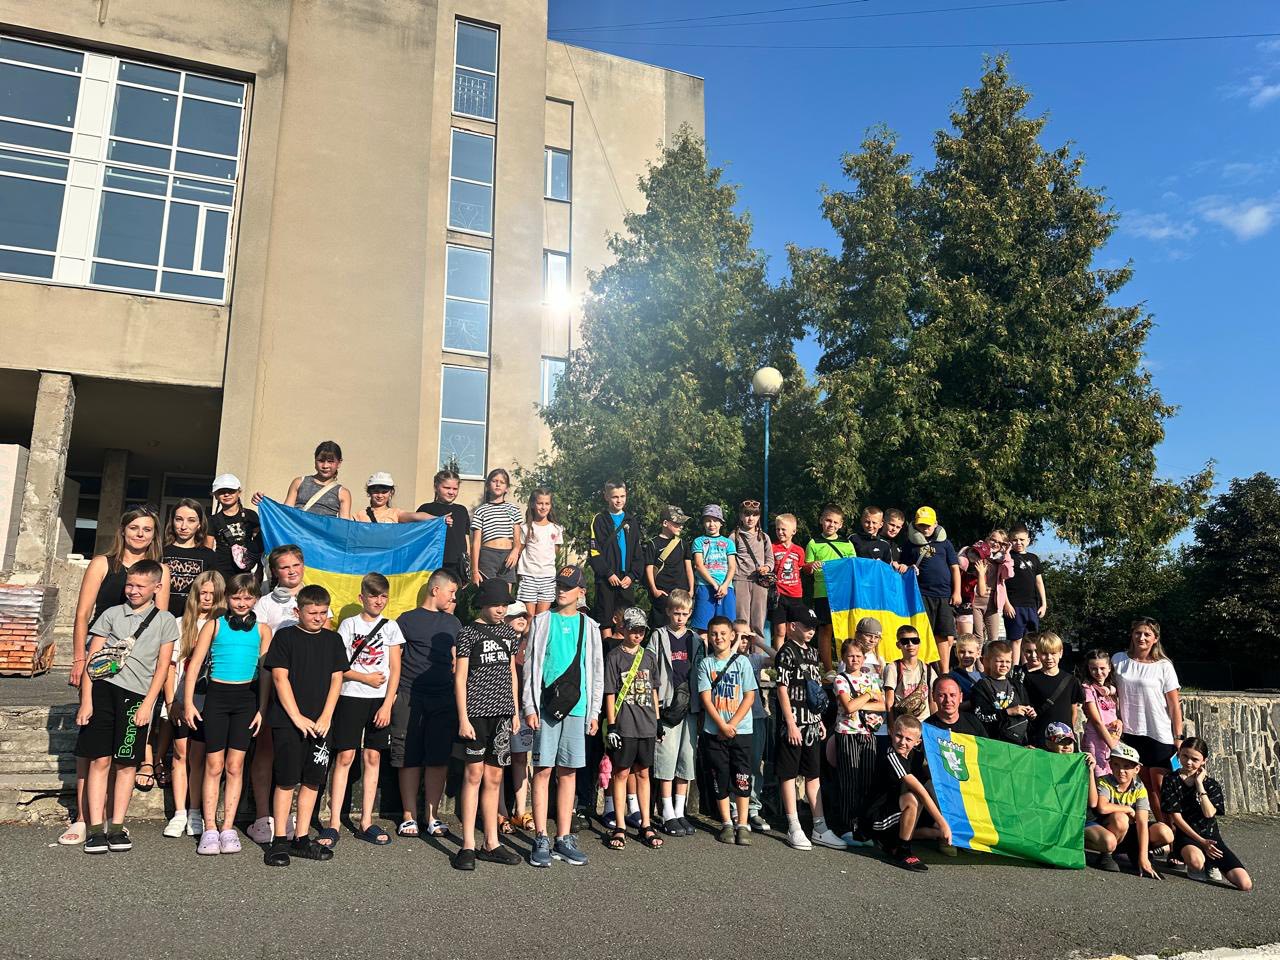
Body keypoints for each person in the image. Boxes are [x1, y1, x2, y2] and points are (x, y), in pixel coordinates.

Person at [61, 506, 168, 846]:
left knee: (122, 752)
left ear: (154, 535)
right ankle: (84, 818)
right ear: (123, 530)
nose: (140, 534)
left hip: (136, 673)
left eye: (147, 529)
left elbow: (159, 621)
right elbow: (82, 614)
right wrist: (79, 659)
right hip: (100, 663)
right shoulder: (103, 564)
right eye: (134, 527)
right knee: (92, 747)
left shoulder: (159, 570)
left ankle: (112, 820)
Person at [74, 559, 179, 853]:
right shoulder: (111, 614)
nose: (133, 591)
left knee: (126, 762)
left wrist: (148, 704)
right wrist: (86, 700)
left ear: (157, 587)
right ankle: (96, 828)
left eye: (141, 586)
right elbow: (93, 660)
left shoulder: (165, 620)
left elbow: (162, 667)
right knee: (99, 760)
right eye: (130, 585)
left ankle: (117, 825)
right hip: (103, 692)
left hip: (136, 698)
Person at [182, 573, 272, 856]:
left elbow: (266, 675)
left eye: (248, 598)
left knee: (235, 766)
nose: (242, 603)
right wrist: (188, 703)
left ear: (256, 599)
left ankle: (228, 827)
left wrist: (262, 709)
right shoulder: (214, 625)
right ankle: (210, 827)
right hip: (217, 699)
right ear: (227, 598)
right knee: (214, 765)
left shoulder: (263, 631)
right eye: (236, 597)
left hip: (246, 701)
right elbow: (194, 666)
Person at [522, 565, 605, 867]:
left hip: (577, 707)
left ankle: (564, 836)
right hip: (546, 706)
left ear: (581, 591)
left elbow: (595, 671)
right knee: (543, 769)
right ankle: (541, 836)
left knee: (568, 771)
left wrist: (594, 712)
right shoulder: (542, 620)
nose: (561, 591)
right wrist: (529, 706)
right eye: (559, 585)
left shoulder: (590, 626)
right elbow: (531, 665)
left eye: (568, 587)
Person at [261, 584, 346, 867]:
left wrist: (327, 716)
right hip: (289, 722)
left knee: (313, 780)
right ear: (298, 611)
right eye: (312, 613)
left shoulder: (333, 640)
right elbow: (279, 678)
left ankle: (301, 838)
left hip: (322, 724)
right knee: (286, 780)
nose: (318, 618)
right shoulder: (285, 637)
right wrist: (296, 717)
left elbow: (337, 679)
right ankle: (279, 840)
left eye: (323, 613)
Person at [324, 573, 405, 847]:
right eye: (373, 596)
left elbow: (395, 669)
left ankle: (366, 821)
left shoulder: (391, 627)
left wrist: (387, 703)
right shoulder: (349, 624)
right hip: (350, 696)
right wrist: (364, 678)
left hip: (379, 700)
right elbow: (340, 666)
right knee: (345, 756)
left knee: (373, 756)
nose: (379, 601)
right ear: (362, 597)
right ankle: (333, 823)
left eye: (383, 596)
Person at [452, 578, 522, 870]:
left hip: (502, 713)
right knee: (473, 775)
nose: (501, 610)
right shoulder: (467, 633)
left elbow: (512, 672)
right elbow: (460, 677)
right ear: (482, 604)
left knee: (494, 777)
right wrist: (463, 717)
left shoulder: (509, 634)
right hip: (476, 713)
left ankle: (491, 842)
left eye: (504, 604)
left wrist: (515, 711)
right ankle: (468, 843)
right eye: (495, 605)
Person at [246, 543, 313, 844]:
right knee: (265, 750)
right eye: (284, 567)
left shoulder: (315, 598)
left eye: (295, 565)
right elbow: (259, 646)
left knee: (297, 754)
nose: (291, 571)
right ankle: (263, 817)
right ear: (274, 572)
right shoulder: (263, 604)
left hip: (306, 688)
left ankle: (288, 816)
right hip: (271, 685)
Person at [391, 568, 461, 839]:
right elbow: (394, 659)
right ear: (435, 590)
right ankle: (408, 816)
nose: (453, 598)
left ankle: (432, 816)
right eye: (451, 592)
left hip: (443, 698)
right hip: (409, 696)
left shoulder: (453, 623)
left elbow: (457, 661)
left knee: (438, 759)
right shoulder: (406, 620)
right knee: (408, 757)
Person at [162, 571, 225, 839]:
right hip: (180, 696)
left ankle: (195, 811)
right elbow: (169, 666)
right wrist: (171, 701)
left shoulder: (223, 625)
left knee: (199, 757)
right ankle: (179, 812)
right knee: (180, 754)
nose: (207, 598)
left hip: (209, 700)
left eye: (213, 594)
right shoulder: (179, 624)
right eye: (203, 593)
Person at [774, 606, 843, 849]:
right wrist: (790, 723)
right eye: (806, 626)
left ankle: (819, 826)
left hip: (812, 723)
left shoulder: (813, 653)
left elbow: (814, 688)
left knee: (814, 774)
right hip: (793, 724)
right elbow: (782, 688)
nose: (811, 631)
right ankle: (793, 825)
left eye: (813, 627)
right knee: (789, 773)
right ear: (793, 626)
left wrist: (819, 719)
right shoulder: (786, 652)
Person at [859, 715, 951, 872]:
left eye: (908, 739)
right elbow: (921, 792)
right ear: (891, 733)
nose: (902, 742)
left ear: (917, 742)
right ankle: (902, 851)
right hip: (875, 820)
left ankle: (897, 841)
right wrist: (943, 823)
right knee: (913, 799)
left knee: (934, 831)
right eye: (899, 736)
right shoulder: (892, 755)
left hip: (892, 812)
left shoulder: (914, 755)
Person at [1112, 617, 1182, 823]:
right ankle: (1162, 830)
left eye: (1147, 634)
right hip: (1130, 733)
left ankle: (1174, 832)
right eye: (1138, 633)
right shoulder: (1118, 660)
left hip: (1158, 733)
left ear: (1155, 639)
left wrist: (1178, 736)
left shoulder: (1164, 666)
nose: (1141, 638)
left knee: (1161, 786)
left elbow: (1174, 704)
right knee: (1145, 787)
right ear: (1131, 634)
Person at [603, 608, 663, 850]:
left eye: (641, 630)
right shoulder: (614, 657)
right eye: (633, 629)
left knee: (644, 773)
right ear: (623, 629)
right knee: (621, 773)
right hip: (625, 725)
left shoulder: (649, 657)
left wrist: (658, 720)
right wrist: (612, 725)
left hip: (647, 724)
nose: (638, 635)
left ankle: (646, 823)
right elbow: (609, 693)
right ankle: (620, 825)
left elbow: (654, 690)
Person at [696, 616, 757, 846]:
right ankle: (726, 822)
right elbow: (705, 698)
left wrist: (732, 724)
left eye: (723, 633)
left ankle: (742, 823)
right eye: (714, 634)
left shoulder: (742, 662)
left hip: (741, 730)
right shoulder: (706, 664)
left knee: (742, 776)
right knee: (719, 776)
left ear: (732, 635)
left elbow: (749, 696)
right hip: (714, 731)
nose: (718, 638)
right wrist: (721, 725)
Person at [1161, 737, 1252, 890]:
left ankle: (1211, 863)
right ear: (1179, 754)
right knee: (1196, 862)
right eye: (1185, 756)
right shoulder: (1170, 780)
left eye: (1195, 759)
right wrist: (1202, 842)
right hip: (1186, 836)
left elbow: (1209, 814)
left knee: (1245, 884)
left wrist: (1199, 785)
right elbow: (1176, 817)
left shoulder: (1211, 785)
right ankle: (1198, 864)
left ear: (1204, 761)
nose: (1188, 762)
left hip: (1211, 837)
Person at [651, 589, 698, 836]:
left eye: (684, 614)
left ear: (690, 614)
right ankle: (667, 810)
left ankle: (680, 811)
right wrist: (656, 712)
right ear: (668, 611)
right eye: (676, 613)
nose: (680, 618)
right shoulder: (658, 636)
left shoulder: (695, 639)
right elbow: (650, 671)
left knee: (686, 760)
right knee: (666, 759)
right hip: (667, 705)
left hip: (690, 706)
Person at [1041, 721, 1119, 872]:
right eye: (1060, 742)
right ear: (1049, 744)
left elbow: (1093, 802)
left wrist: (1090, 770)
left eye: (1069, 742)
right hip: (1051, 820)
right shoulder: (1041, 761)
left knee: (1109, 842)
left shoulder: (1081, 763)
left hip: (1079, 819)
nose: (1066, 746)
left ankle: (1073, 847)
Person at [832, 639, 886, 846]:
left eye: (858, 656)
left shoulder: (870, 678)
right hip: (847, 733)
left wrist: (861, 702)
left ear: (864, 658)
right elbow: (848, 706)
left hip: (868, 733)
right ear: (844, 658)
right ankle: (846, 827)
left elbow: (883, 705)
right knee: (849, 782)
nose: (854, 660)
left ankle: (863, 828)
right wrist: (868, 695)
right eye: (850, 656)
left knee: (866, 782)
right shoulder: (840, 679)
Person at [1096, 740, 1175, 879]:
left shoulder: (1140, 788)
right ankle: (1108, 853)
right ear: (1110, 765)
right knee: (1120, 818)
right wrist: (1127, 809)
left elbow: (1142, 823)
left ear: (1137, 769)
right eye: (1116, 765)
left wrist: (1143, 857)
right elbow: (1102, 807)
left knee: (1165, 832)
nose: (1121, 771)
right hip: (1110, 829)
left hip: (1131, 831)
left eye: (1127, 766)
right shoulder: (1104, 781)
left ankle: (1139, 852)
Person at [901, 506, 961, 674]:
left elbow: (955, 568)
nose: (925, 528)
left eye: (928, 525)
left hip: (944, 595)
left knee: (944, 635)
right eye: (921, 525)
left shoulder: (945, 544)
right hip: (922, 595)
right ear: (915, 524)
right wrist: (904, 566)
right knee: (922, 634)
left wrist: (957, 592)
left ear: (935, 524)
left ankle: (944, 672)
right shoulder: (909, 545)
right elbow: (904, 566)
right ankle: (924, 671)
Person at [587, 482, 642, 642]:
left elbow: (638, 553)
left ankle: (624, 652)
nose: (619, 500)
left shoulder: (631, 521)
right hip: (607, 579)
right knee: (605, 619)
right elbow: (594, 551)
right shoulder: (599, 520)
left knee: (627, 620)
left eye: (622, 496)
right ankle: (607, 650)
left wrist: (632, 576)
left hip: (626, 580)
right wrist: (608, 573)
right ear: (606, 497)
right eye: (615, 497)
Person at [803, 504, 854, 670]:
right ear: (821, 520)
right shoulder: (813, 543)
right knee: (825, 629)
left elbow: (853, 566)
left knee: (845, 629)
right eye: (828, 520)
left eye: (835, 522)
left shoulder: (847, 543)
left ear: (841, 524)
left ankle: (848, 667)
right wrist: (812, 566)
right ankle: (828, 669)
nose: (831, 524)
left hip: (843, 593)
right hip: (822, 592)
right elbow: (806, 569)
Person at [737, 620, 775, 831]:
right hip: (734, 718)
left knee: (754, 764)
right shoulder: (726, 659)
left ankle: (753, 808)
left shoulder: (754, 659)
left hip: (756, 716)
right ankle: (735, 807)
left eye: (746, 637)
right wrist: (736, 641)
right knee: (735, 763)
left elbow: (779, 659)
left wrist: (758, 641)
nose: (743, 641)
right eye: (739, 636)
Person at [502, 601, 534, 832]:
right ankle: (500, 812)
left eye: (524, 615)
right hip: (500, 708)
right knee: (497, 762)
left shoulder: (530, 644)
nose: (522, 619)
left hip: (522, 709)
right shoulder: (498, 642)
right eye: (516, 616)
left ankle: (520, 811)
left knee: (521, 758)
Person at [1023, 631, 1084, 746]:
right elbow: (1027, 707)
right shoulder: (1030, 678)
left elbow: (1073, 711)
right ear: (1038, 653)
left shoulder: (1071, 680)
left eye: (1053, 653)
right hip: (1040, 737)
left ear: (1060, 653)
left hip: (1065, 739)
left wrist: (1068, 733)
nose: (1049, 658)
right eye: (1044, 653)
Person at [969, 640, 1035, 745]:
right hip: (993, 743)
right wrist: (1008, 712)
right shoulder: (981, 687)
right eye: (999, 661)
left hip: (1019, 744)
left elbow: (1027, 710)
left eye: (1008, 661)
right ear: (988, 661)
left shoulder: (1017, 684)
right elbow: (981, 716)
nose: (1004, 665)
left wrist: (1031, 713)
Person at [161, 498, 217, 620]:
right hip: (163, 619)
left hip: (195, 621)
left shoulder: (209, 556)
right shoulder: (160, 553)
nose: (183, 526)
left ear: (199, 524)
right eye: (179, 519)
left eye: (191, 520)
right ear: (172, 521)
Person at [469, 468, 523, 587]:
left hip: (508, 556)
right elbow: (476, 542)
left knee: (505, 593)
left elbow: (517, 539)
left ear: (507, 488)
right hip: (488, 556)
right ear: (488, 486)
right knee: (490, 593)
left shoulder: (514, 509)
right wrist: (475, 570)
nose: (498, 484)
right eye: (494, 481)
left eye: (502, 482)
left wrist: (515, 551)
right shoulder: (481, 511)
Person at [516, 487, 564, 618]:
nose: (543, 507)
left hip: (548, 578)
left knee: (542, 617)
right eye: (540, 503)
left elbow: (555, 551)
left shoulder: (556, 529)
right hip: (528, 577)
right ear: (533, 504)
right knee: (529, 617)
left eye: (547, 503)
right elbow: (519, 551)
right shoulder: (525, 528)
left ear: (551, 505)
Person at [957, 530, 1012, 642]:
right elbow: (962, 564)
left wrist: (1007, 554)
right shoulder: (979, 554)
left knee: (994, 638)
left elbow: (1008, 574)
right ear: (987, 539)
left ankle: (990, 654)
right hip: (976, 601)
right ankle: (977, 655)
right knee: (979, 637)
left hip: (992, 602)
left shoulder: (1001, 560)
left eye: (1000, 543)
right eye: (993, 540)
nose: (995, 544)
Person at [645, 505, 694, 629]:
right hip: (662, 593)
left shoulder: (683, 544)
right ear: (665, 523)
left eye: (682, 523)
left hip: (681, 593)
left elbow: (688, 568)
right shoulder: (653, 544)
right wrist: (654, 590)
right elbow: (649, 568)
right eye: (677, 523)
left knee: (680, 627)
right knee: (659, 628)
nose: (681, 526)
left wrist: (691, 590)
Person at [275, 440, 352, 519]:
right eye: (321, 461)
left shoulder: (343, 493)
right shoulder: (299, 482)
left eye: (330, 461)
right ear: (315, 461)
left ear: (339, 463)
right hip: (297, 526)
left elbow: (344, 524)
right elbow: (285, 513)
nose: (325, 466)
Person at [417, 468, 471, 581]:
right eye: (446, 488)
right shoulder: (426, 509)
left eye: (455, 489)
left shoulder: (462, 510)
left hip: (457, 564)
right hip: (433, 562)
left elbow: (465, 537)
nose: (451, 492)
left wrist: (467, 563)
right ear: (436, 487)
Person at [691, 504, 737, 633]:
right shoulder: (699, 541)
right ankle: (703, 647)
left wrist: (725, 585)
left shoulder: (728, 543)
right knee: (703, 629)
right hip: (705, 586)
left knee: (727, 627)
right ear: (703, 523)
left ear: (721, 523)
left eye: (715, 520)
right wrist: (714, 584)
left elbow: (732, 566)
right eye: (708, 520)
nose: (712, 524)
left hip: (726, 588)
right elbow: (699, 565)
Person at [731, 500, 774, 639]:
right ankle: (741, 650)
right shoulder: (734, 536)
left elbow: (770, 559)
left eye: (754, 515)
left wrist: (766, 568)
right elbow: (729, 560)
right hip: (740, 581)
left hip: (760, 582)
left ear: (759, 516)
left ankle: (758, 651)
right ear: (741, 516)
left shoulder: (764, 537)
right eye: (747, 514)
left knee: (758, 621)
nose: (750, 518)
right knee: (741, 621)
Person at [209, 474, 261, 582]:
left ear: (239, 492)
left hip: (246, 571)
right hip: (220, 572)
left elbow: (259, 544)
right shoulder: (212, 520)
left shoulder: (251, 515)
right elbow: (207, 550)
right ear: (215, 495)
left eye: (231, 491)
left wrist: (259, 568)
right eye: (222, 491)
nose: (226, 494)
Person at [883, 626, 938, 724]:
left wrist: (935, 725)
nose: (910, 644)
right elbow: (889, 702)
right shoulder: (893, 668)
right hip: (902, 724)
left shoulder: (928, 669)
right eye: (905, 641)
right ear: (898, 645)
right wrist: (891, 726)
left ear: (919, 643)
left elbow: (933, 701)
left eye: (915, 641)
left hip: (924, 724)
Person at [1079, 648, 1121, 775]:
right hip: (1096, 740)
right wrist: (1113, 747)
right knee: (1098, 776)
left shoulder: (1112, 689)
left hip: (1113, 738)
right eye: (1094, 669)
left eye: (1102, 668)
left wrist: (1119, 722)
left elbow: (1114, 713)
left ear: (1109, 668)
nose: (1098, 672)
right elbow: (1096, 721)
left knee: (1113, 776)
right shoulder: (1088, 688)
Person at [769, 513, 807, 646]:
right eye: (777, 529)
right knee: (780, 630)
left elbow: (801, 568)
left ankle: (792, 655)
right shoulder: (772, 547)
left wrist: (811, 566)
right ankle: (779, 656)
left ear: (793, 531)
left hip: (795, 594)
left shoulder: (799, 550)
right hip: (779, 594)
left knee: (794, 630)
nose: (780, 532)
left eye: (783, 529)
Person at [353, 472, 435, 524]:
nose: (380, 495)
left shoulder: (395, 514)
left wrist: (439, 520)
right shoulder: (359, 515)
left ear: (391, 493)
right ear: (369, 492)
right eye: (376, 492)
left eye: (384, 492)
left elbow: (416, 516)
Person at [947, 634, 983, 698]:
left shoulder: (982, 677)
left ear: (978, 654)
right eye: (962, 652)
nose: (966, 655)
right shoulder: (952, 677)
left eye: (970, 652)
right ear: (956, 652)